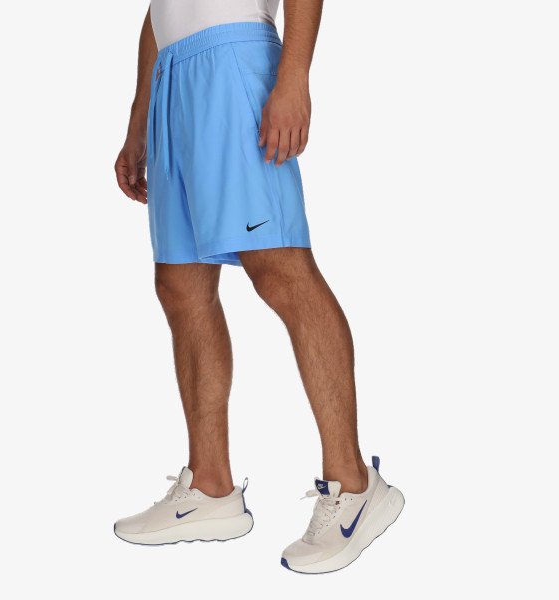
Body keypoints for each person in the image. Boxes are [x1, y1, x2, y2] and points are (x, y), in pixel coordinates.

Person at [113, 0, 404, 573]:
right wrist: (139, 117)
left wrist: (294, 77)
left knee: (280, 269)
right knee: (179, 282)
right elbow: (158, 10)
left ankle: (354, 483)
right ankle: (210, 487)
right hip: (172, 75)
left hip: (233, 60)